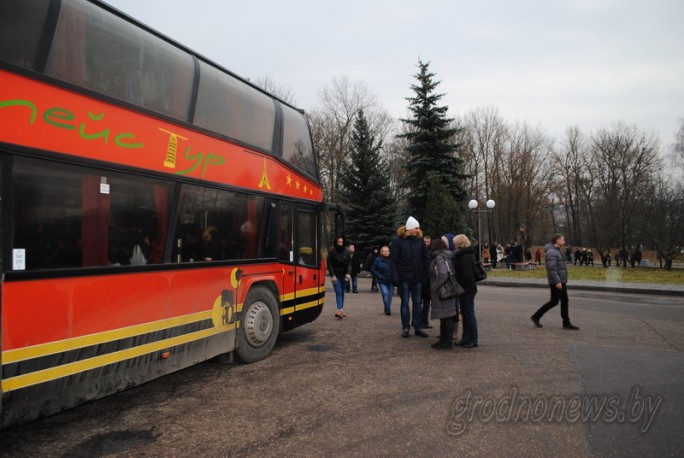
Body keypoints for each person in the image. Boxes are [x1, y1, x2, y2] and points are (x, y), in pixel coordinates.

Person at [390, 216, 430, 338]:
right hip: (404, 277)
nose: (418, 230)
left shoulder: (420, 241)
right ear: (410, 228)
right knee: (405, 303)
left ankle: (417, 327)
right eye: (416, 228)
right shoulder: (397, 242)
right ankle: (406, 327)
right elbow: (394, 261)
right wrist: (396, 278)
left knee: (418, 303)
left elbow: (425, 258)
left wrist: (425, 274)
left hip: (418, 277)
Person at [530, 233, 580, 330]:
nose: (564, 241)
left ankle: (566, 323)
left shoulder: (556, 251)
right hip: (556, 281)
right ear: (557, 240)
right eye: (563, 239)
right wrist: (557, 281)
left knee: (563, 301)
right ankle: (536, 316)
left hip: (561, 280)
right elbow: (551, 268)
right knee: (554, 301)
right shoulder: (551, 252)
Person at [428, 238, 457, 350]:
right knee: (446, 317)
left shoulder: (439, 257)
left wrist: (434, 287)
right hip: (448, 289)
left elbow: (443, 274)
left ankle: (446, 342)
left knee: (446, 317)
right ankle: (444, 340)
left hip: (443, 291)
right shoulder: (446, 255)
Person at [453, 234, 479, 348]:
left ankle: (472, 339)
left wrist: (459, 284)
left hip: (466, 289)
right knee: (466, 314)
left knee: (469, 314)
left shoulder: (465, 257)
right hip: (467, 288)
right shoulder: (467, 255)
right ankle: (466, 337)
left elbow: (467, 276)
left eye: (455, 243)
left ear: (459, 244)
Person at [327, 236, 351, 319]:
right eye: (339, 242)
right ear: (336, 242)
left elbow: (349, 264)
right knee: (338, 291)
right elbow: (329, 264)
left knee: (342, 292)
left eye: (341, 242)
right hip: (335, 275)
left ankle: (341, 310)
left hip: (344, 275)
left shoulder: (347, 251)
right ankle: (340, 310)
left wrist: (348, 273)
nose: (340, 244)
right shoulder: (332, 251)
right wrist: (332, 275)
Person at [371, 246, 393, 315]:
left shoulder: (392, 259)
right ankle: (388, 309)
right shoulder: (378, 260)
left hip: (391, 280)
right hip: (382, 280)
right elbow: (373, 269)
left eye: (388, 251)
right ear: (381, 252)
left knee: (389, 295)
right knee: (385, 293)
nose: (386, 252)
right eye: (385, 251)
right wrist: (379, 275)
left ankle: (387, 307)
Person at [421, 234, 434, 329]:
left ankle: (425, 321)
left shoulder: (432, 251)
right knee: (418, 303)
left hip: (428, 280)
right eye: (425, 241)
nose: (426, 243)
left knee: (426, 302)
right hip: (421, 279)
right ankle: (420, 321)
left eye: (428, 242)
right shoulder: (419, 251)